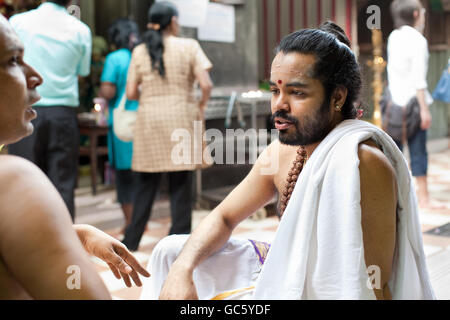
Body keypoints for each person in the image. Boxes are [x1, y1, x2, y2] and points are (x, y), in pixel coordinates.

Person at [141, 22, 435, 300]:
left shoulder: (363, 164)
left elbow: (371, 283)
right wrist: (182, 269)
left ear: (337, 98)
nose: (279, 104)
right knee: (171, 252)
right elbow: (224, 217)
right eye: (275, 90)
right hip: (291, 277)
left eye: (296, 92)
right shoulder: (281, 153)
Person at [0, 15, 149, 299]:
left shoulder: (22, 21)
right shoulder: (13, 180)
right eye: (12, 61)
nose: (36, 76)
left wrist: (73, 236)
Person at [122, 1, 213, 252]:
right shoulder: (189, 46)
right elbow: (206, 85)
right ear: (173, 21)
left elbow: (130, 92)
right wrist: (201, 105)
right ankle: (179, 242)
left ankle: (132, 240)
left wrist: (152, 97)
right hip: (181, 118)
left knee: (145, 184)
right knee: (180, 184)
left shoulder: (139, 51)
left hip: (149, 121)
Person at [7, 0, 92, 220]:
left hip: (23, 110)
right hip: (63, 113)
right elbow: (82, 71)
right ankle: (65, 245)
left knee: (22, 184)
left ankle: (22, 248)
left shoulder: (19, 22)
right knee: (62, 183)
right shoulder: (81, 30)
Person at [387, 0, 445, 210]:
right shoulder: (418, 40)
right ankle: (424, 198)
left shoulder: (394, 36)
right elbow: (419, 79)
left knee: (395, 153)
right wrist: (424, 109)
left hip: (394, 105)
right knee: (419, 151)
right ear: (414, 14)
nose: (423, 14)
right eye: (422, 11)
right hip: (413, 104)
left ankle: (394, 197)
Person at [99, 18, 140, 233]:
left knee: (124, 176)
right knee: (142, 175)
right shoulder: (143, 56)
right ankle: (141, 220)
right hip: (144, 121)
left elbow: (108, 91)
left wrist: (100, 93)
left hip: (123, 124)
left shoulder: (115, 58)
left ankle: (130, 223)